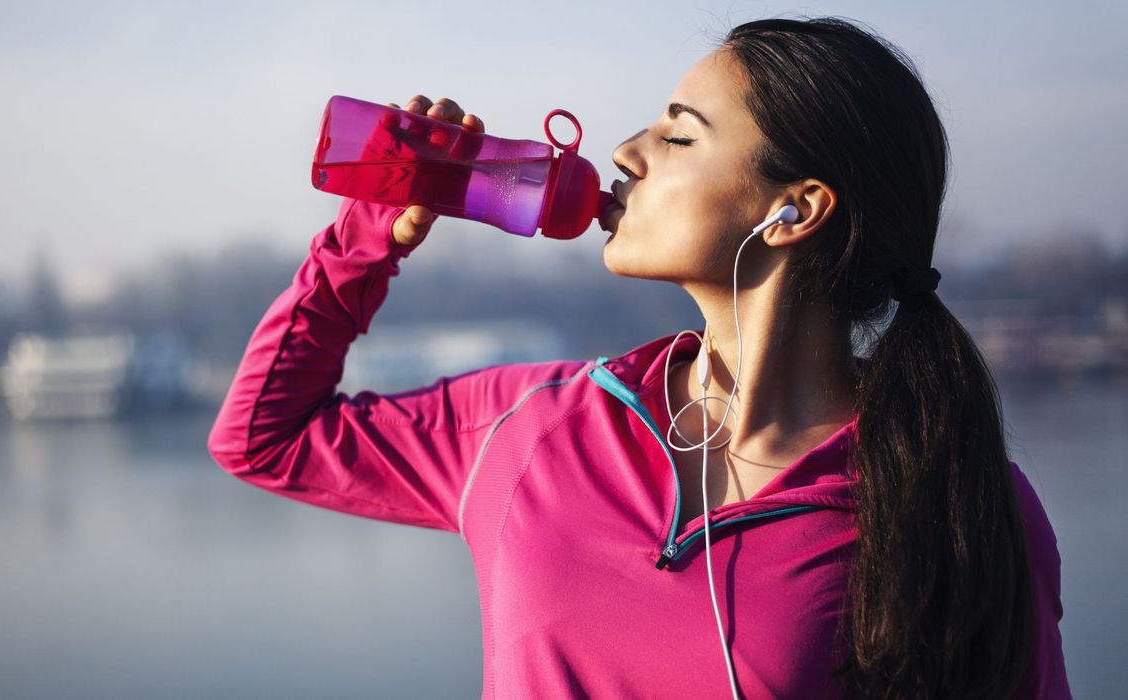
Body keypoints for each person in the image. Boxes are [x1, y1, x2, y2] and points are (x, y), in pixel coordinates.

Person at [207, 15, 1070, 699]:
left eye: (680, 136)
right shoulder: (535, 426)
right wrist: (371, 234)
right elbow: (263, 437)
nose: (624, 152)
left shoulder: (950, 495)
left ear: (795, 209)